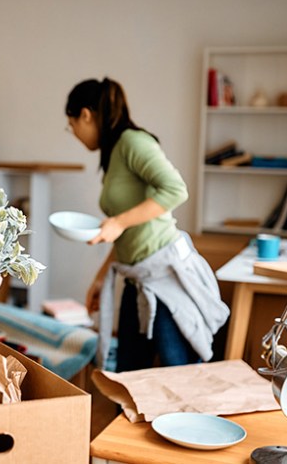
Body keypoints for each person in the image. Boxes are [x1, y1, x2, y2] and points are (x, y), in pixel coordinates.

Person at [64, 77, 228, 372]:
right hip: (136, 277)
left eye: (71, 124)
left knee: (176, 372)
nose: (73, 132)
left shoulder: (133, 142)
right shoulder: (114, 153)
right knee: (128, 376)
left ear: (85, 115)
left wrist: (118, 221)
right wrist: (101, 278)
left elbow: (176, 190)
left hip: (165, 277)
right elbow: (126, 230)